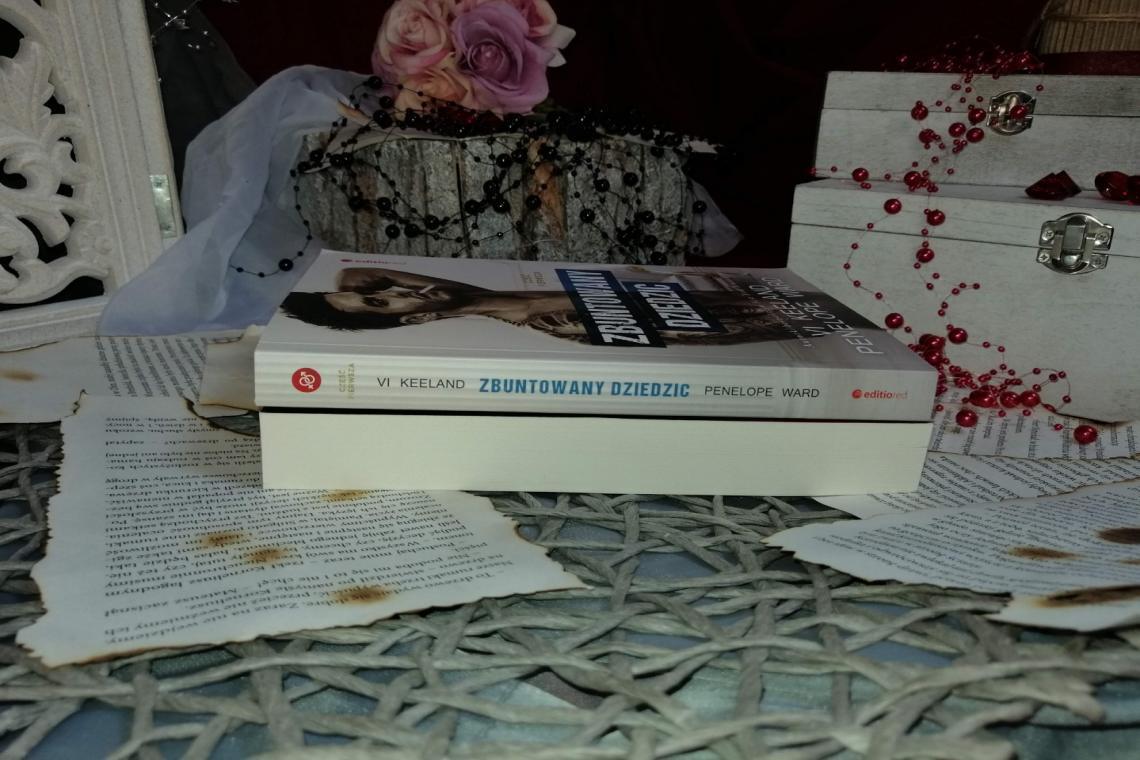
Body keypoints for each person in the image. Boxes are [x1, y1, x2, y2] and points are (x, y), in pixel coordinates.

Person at [279, 266, 792, 344]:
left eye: (383, 283)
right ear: (416, 319)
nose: (397, 288)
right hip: (772, 317)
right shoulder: (551, 324)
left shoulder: (493, 287)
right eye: (379, 300)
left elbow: (351, 273)